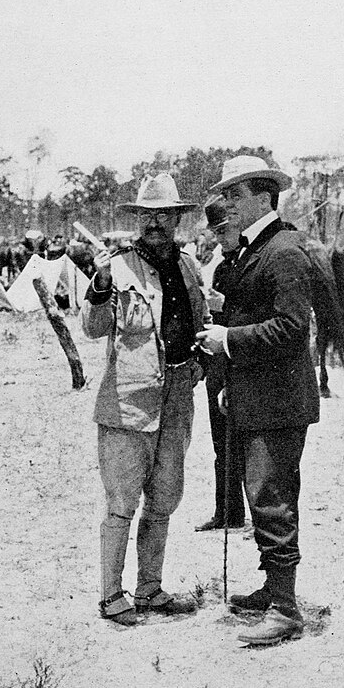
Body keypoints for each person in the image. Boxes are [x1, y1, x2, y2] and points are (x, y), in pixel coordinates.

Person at [196, 155, 320, 646]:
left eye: (234, 194)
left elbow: (292, 330)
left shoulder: (284, 251)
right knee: (260, 493)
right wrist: (231, 379)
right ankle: (273, 588)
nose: (225, 202)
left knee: (271, 499)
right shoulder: (254, 250)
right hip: (256, 396)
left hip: (281, 402)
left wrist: (228, 339)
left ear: (264, 197)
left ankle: (287, 610)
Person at [82, 172, 210, 626]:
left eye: (164, 215)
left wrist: (201, 361)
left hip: (177, 397)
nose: (155, 223)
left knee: (164, 499)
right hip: (127, 403)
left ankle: (150, 590)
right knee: (121, 502)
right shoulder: (115, 266)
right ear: (139, 219)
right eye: (147, 215)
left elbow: (202, 322)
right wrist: (97, 284)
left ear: (177, 220)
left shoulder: (191, 266)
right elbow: (93, 328)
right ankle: (111, 597)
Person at [195, 197, 246, 532]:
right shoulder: (222, 264)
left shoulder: (253, 261)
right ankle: (227, 512)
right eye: (216, 231)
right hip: (219, 365)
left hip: (245, 363)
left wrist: (226, 305)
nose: (220, 237)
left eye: (225, 230)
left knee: (250, 445)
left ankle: (260, 517)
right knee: (221, 443)